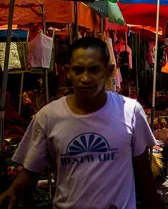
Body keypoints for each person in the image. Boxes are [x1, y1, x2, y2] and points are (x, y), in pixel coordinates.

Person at [0, 37, 159, 209]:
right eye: (78, 70)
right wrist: (13, 192)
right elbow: (31, 171)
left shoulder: (130, 112)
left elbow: (143, 173)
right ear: (68, 71)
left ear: (109, 70)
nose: (85, 78)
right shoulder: (48, 117)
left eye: (94, 70)